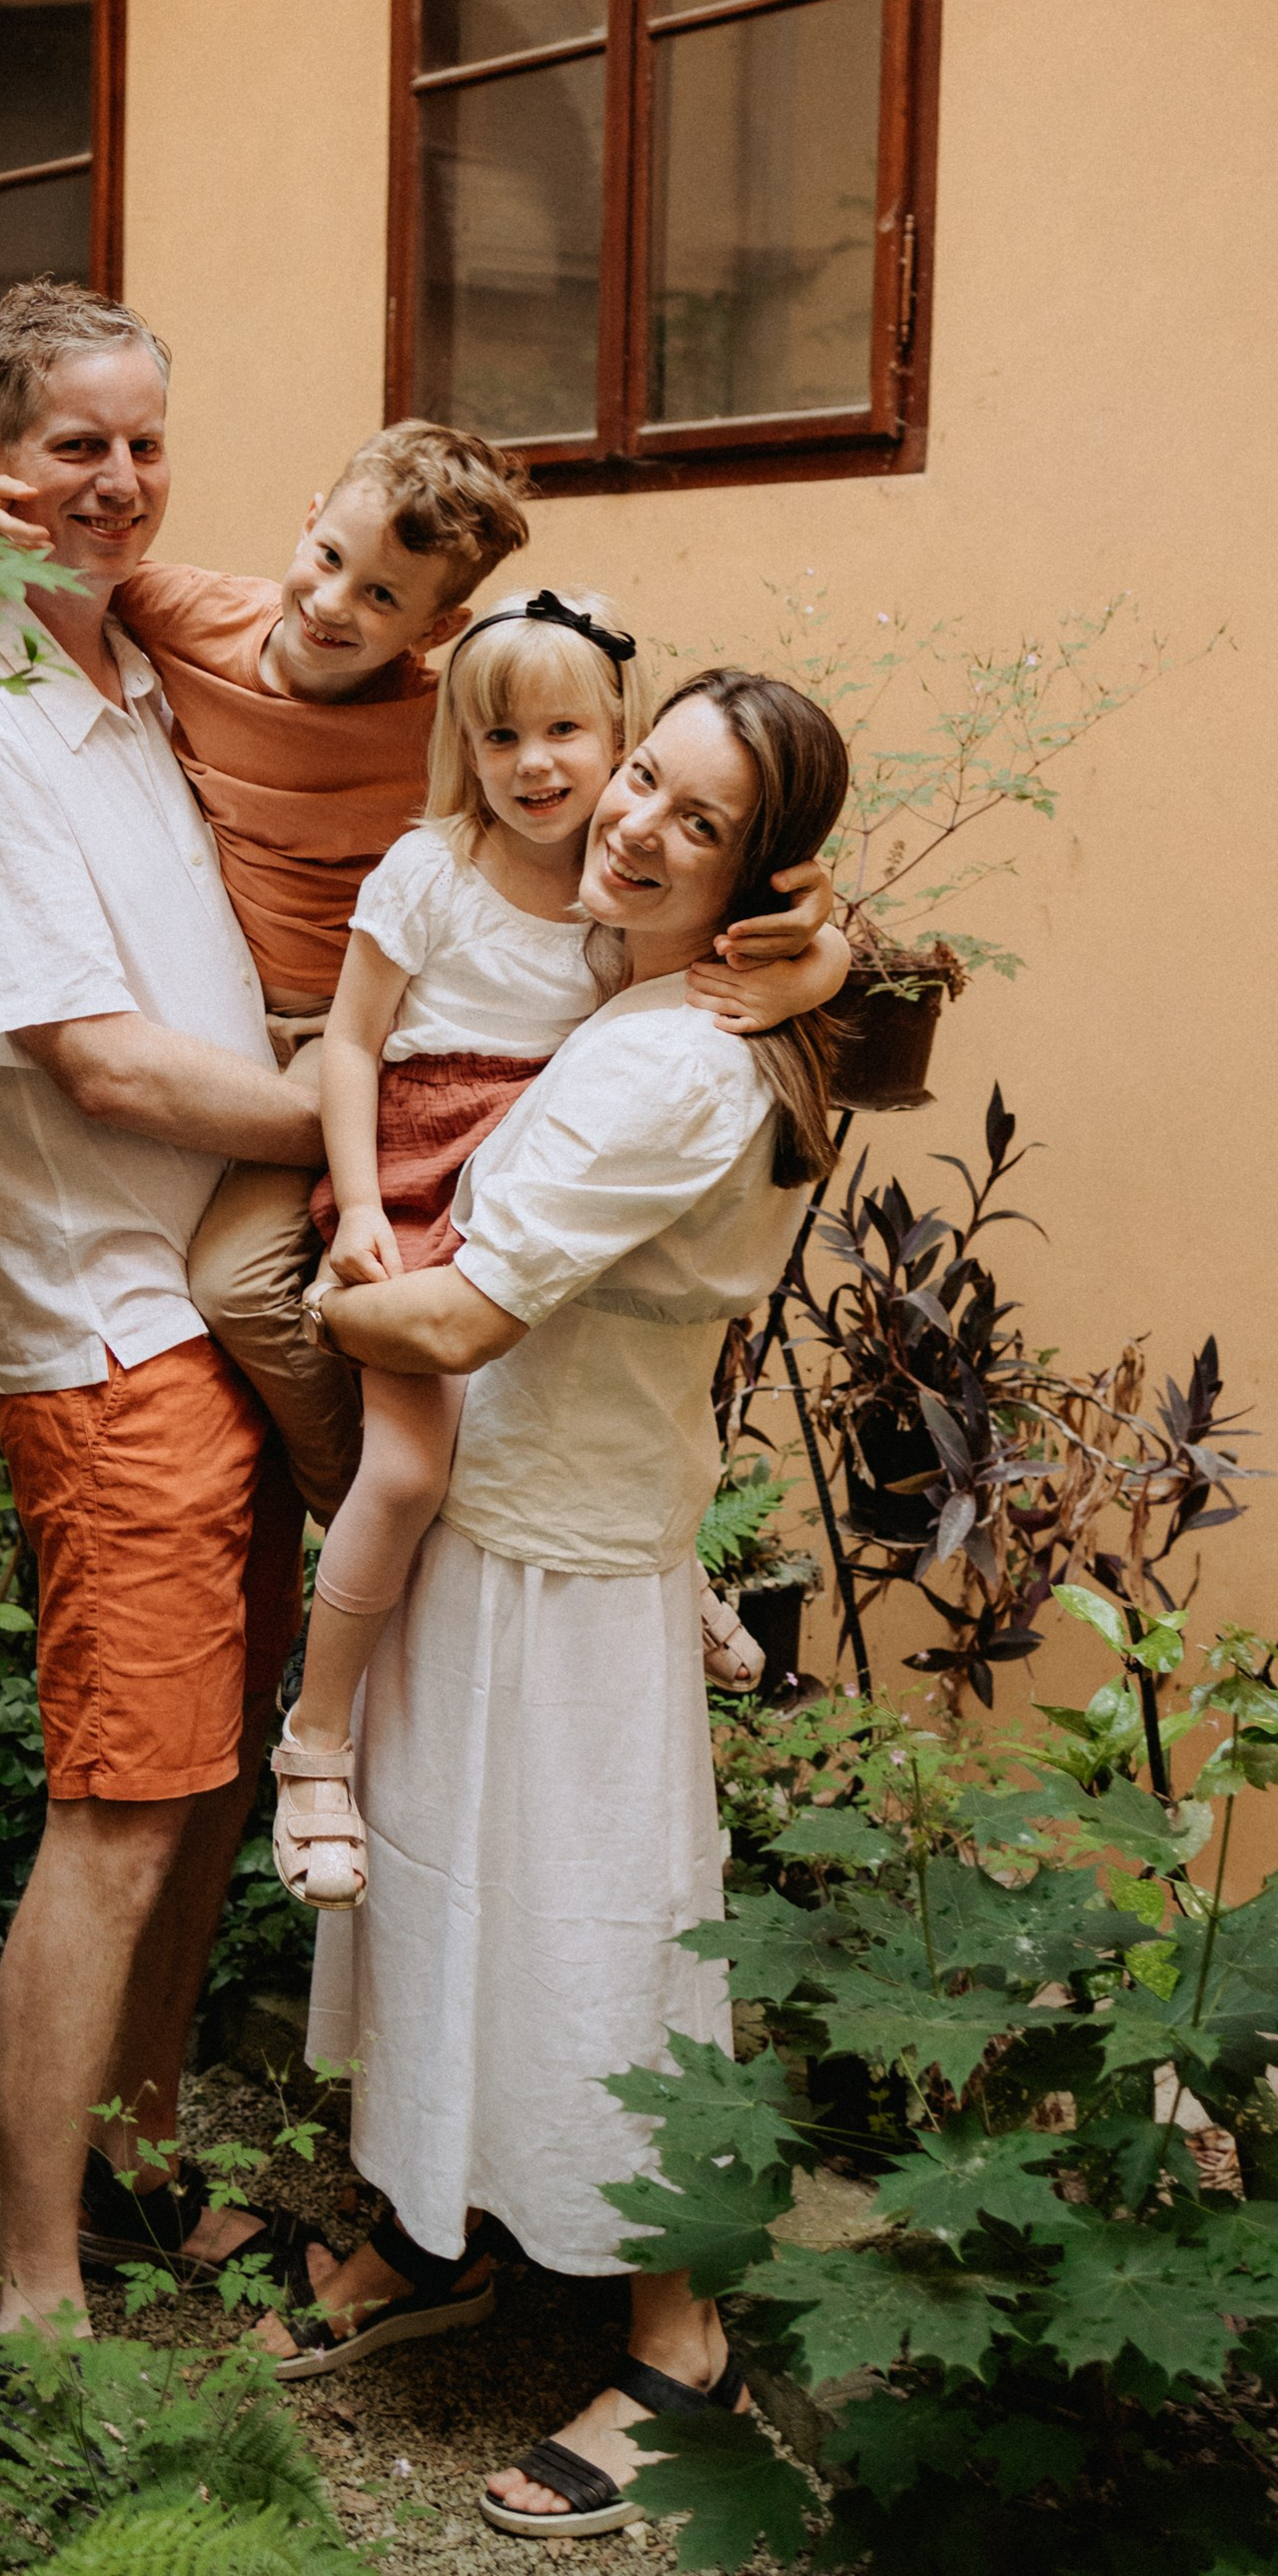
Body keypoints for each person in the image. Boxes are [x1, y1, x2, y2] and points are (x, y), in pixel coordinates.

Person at [253, 670, 850, 2551]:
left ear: (761, 875)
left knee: (599, 1951)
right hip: (492, 1526)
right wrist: (833, 955)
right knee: (444, 1908)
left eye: (695, 820)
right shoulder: (650, 983)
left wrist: (290, 1309)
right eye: (641, 779)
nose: (633, 825)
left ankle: (683, 2346)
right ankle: (442, 2239)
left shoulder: (682, 1058)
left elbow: (451, 1319)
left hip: (570, 1567)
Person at [0, 420, 843, 1541]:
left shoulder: (478, 723)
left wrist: (815, 956)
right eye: (329, 559)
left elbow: (718, 835)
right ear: (306, 520)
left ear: (437, 629)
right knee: (244, 1284)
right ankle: (372, 1524)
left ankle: (620, 1544)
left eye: (383, 599)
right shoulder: (182, 613)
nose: (334, 606)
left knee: (533, 1322)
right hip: (331, 1045)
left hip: (499, 1081)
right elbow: (60, 571)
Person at [0, 278, 335, 2332]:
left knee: (212, 1779)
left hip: (217, 1311)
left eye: (143, 441)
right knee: (125, 1808)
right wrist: (357, 1117)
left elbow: (347, 613)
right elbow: (107, 1064)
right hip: (110, 1330)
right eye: (76, 444)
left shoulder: (126, 667)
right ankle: (38, 2289)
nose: (120, 482)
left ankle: (144, 2177)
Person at [268, 597, 843, 1911]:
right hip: (415, 1179)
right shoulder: (436, 870)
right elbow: (347, 1042)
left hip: (520, 1162)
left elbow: (814, 903)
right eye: (500, 736)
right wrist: (357, 1216)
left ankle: (681, 1550)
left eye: (573, 735)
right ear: (459, 748)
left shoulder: (612, 853)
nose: (542, 766)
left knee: (663, 1345)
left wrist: (807, 974)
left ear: (615, 735)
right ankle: (316, 1745)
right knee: (410, 1467)